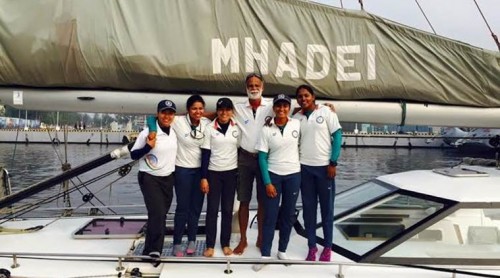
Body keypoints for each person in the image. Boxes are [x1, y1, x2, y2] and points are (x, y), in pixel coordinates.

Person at [146, 95, 211, 257]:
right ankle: (176, 242)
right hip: (182, 170)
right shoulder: (179, 121)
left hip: (200, 172)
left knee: (196, 208)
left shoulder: (206, 124)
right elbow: (152, 119)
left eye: (200, 108)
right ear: (188, 110)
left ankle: (192, 240)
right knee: (182, 208)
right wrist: (153, 132)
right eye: (194, 108)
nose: (198, 111)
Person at [293, 85, 342, 262]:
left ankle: (327, 247)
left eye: (306, 95)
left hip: (324, 168)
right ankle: (312, 247)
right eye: (300, 96)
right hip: (304, 168)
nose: (303, 99)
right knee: (308, 211)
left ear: (313, 97)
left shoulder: (327, 112)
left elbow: (337, 136)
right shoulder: (296, 118)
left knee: (327, 210)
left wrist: (333, 161)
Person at [129, 99, 177, 265]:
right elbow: (134, 155)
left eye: (170, 113)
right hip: (149, 178)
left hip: (168, 177)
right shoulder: (147, 132)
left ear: (174, 116)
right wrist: (148, 147)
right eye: (163, 112)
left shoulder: (174, 130)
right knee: (157, 213)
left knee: (160, 215)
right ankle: (155, 250)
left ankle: (149, 248)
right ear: (158, 114)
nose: (167, 116)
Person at [232, 72, 274, 255]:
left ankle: (261, 237)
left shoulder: (272, 106)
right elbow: (217, 113)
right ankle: (243, 239)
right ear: (246, 87)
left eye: (257, 85)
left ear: (262, 87)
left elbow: (296, 110)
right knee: (244, 200)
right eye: (250, 85)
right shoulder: (237, 107)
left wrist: (323, 108)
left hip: (265, 159)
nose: (254, 88)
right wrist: (184, 115)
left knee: (264, 201)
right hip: (245, 158)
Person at [256, 94, 301, 261]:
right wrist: (267, 182)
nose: (281, 109)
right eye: (278, 106)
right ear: (273, 108)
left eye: (285, 106)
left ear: (289, 108)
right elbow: (262, 158)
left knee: (288, 214)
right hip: (273, 175)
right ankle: (266, 254)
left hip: (293, 175)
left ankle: (282, 250)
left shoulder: (297, 123)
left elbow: (308, 112)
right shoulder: (266, 129)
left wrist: (325, 107)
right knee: (270, 215)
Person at [200, 97, 240, 257]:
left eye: (228, 109)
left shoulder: (237, 127)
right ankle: (210, 245)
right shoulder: (209, 128)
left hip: (231, 173)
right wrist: (204, 177)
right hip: (213, 173)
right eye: (221, 109)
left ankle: (225, 243)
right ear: (217, 111)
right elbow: (205, 154)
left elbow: (240, 149)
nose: (224, 113)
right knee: (212, 209)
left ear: (232, 111)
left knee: (227, 210)